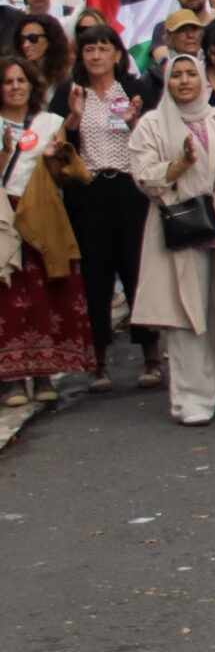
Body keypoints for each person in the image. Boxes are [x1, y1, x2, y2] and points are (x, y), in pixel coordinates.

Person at [128, 54, 215, 426]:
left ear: (203, 81)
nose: (184, 81)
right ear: (167, 82)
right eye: (177, 75)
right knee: (187, 315)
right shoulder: (152, 125)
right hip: (180, 227)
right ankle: (192, 400)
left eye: (191, 74)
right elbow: (144, 177)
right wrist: (181, 164)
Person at [55, 25, 153, 392]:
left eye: (103, 48)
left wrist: (134, 121)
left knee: (137, 270)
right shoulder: (70, 92)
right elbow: (56, 144)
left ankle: (152, 356)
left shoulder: (135, 89)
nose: (96, 55)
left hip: (130, 188)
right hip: (89, 190)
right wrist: (73, 118)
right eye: (89, 49)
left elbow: (155, 136)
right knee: (94, 277)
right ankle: (97, 363)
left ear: (117, 54)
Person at [0, 54, 89, 406]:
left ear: (32, 84)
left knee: (44, 295)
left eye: (20, 80)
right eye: (8, 81)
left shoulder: (49, 122)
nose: (15, 87)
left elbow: (62, 175)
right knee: (8, 297)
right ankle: (12, 380)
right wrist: (5, 154)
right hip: (4, 216)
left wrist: (55, 153)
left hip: (41, 212)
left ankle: (44, 374)